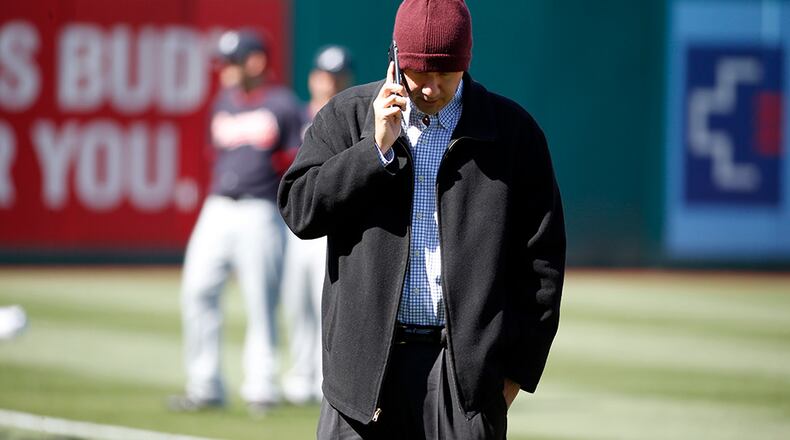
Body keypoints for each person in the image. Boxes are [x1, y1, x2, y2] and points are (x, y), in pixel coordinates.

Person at [277, 0, 566, 438]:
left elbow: (542, 262)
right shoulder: (348, 114)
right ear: (395, 59)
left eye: (445, 73)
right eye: (418, 72)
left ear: (466, 62)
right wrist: (373, 150)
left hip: (463, 381)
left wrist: (512, 374)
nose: (430, 87)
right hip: (362, 377)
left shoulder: (513, 132)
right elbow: (300, 211)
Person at [169, 29, 303, 414]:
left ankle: (261, 386)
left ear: (256, 62)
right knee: (197, 290)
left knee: (261, 301)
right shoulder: (222, 102)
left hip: (260, 210)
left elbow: (296, 161)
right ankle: (204, 384)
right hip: (218, 207)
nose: (225, 69)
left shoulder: (282, 105)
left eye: (232, 61)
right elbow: (216, 154)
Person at [280, 45, 355, 406]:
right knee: (297, 303)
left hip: (335, 225)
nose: (330, 83)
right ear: (313, 78)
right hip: (300, 222)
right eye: (325, 75)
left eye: (337, 76)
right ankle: (299, 375)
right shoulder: (296, 117)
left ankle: (325, 378)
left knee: (325, 301)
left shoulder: (354, 117)